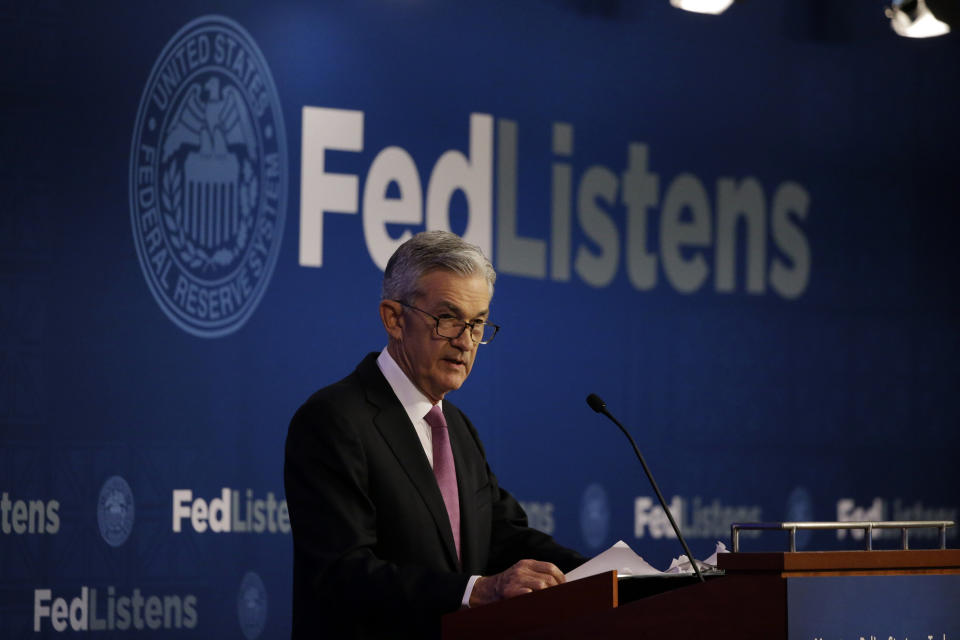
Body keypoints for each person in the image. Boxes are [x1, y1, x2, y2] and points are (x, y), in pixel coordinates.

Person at [284, 230, 586, 639]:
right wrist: (476, 591)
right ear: (394, 318)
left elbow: (504, 536)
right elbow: (343, 572)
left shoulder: (457, 429)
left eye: (477, 324)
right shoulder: (334, 420)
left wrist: (611, 574)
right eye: (448, 319)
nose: (465, 342)